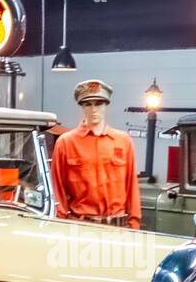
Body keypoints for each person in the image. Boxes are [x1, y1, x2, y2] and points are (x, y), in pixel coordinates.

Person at [50, 79, 142, 229]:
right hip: (80, 227)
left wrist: (134, 225)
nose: (93, 109)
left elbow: (132, 187)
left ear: (106, 105)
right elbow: (57, 189)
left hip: (118, 229)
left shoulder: (123, 141)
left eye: (99, 103)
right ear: (81, 107)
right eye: (88, 104)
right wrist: (60, 227)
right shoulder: (66, 143)